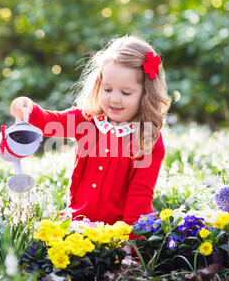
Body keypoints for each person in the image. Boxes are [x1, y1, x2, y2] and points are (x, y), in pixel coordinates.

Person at [10, 35, 171, 229]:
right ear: (99, 85)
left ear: (146, 94)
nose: (115, 99)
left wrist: (130, 243)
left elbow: (140, 196)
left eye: (125, 93)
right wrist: (28, 109)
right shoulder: (87, 120)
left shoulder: (148, 139)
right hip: (80, 224)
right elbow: (50, 122)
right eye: (108, 89)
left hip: (122, 231)